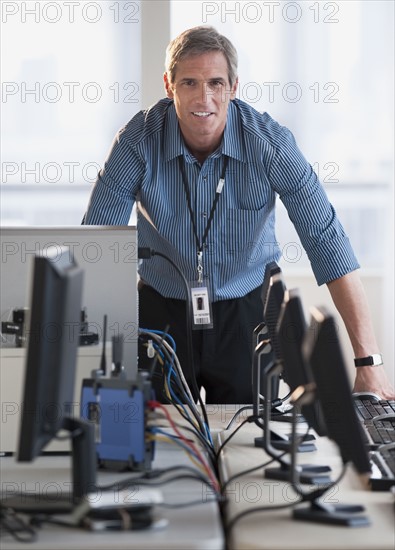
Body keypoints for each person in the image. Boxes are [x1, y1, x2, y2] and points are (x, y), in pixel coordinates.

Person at [83, 26, 394, 403]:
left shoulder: (270, 144)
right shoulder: (137, 141)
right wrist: (80, 359)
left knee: (248, 443)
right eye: (190, 83)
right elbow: (95, 245)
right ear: (169, 85)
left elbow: (327, 242)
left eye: (216, 83)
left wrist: (369, 361)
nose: (204, 98)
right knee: (156, 437)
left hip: (248, 311)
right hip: (161, 308)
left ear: (234, 86)